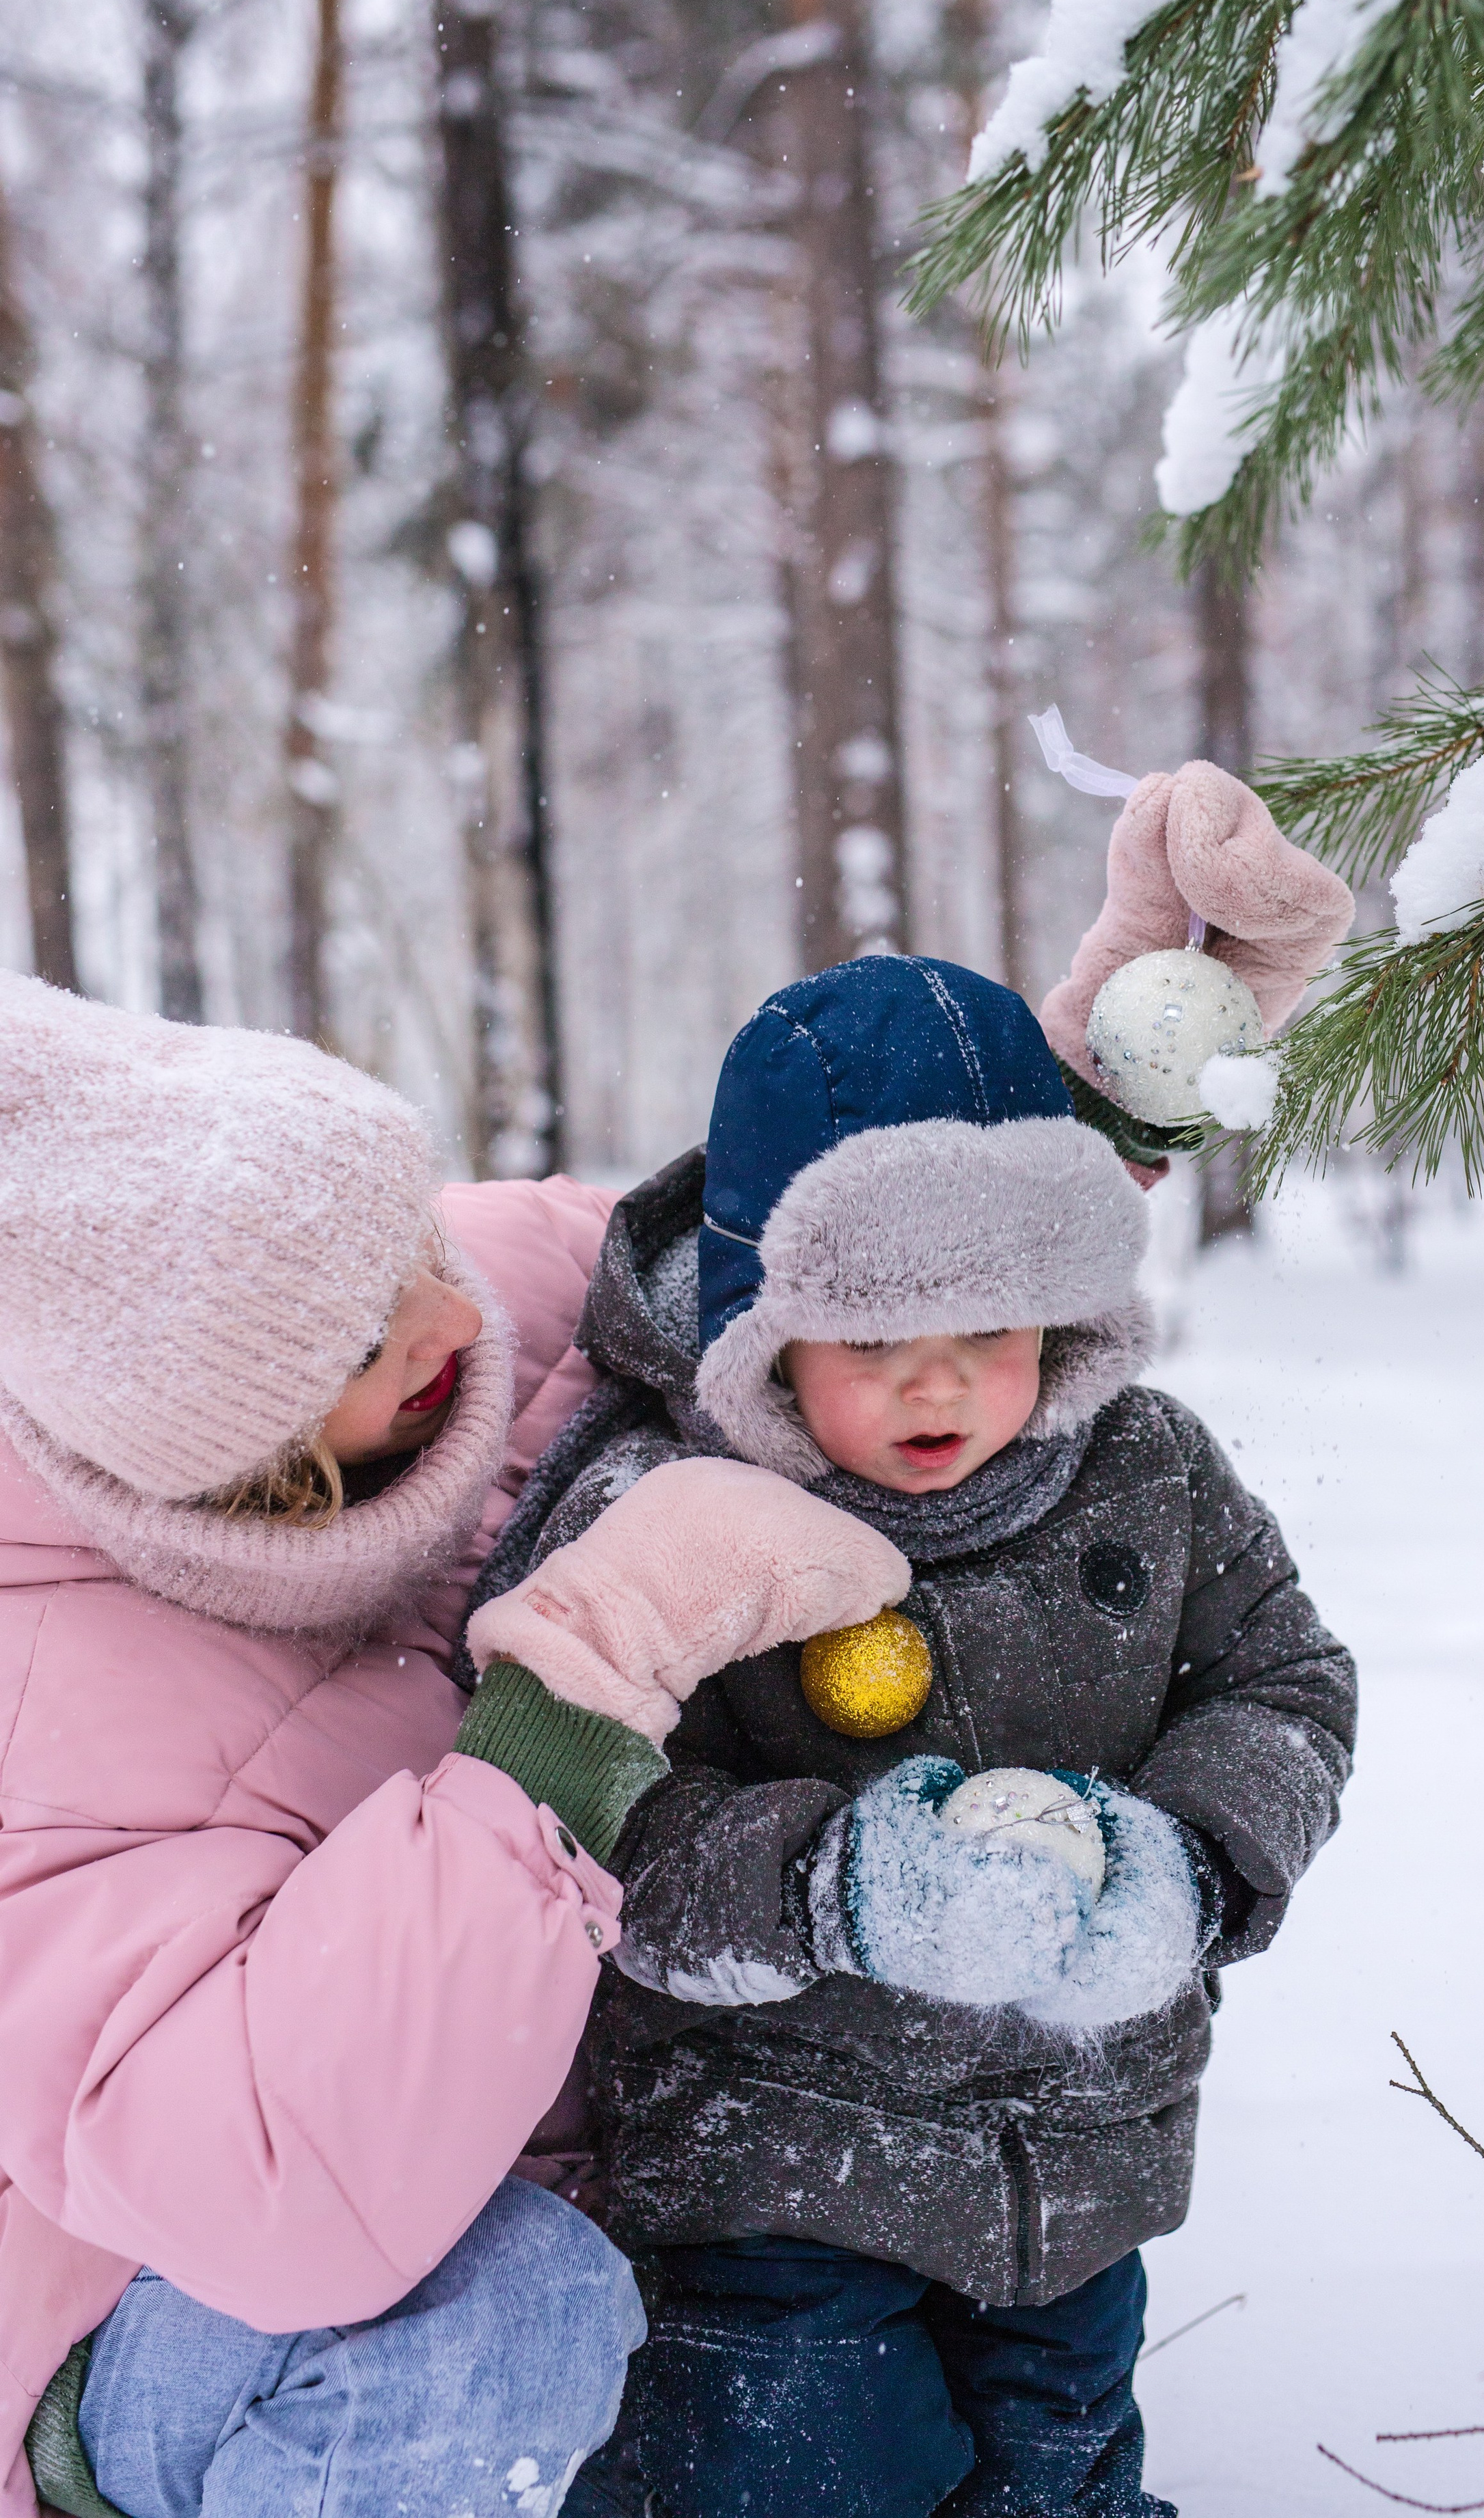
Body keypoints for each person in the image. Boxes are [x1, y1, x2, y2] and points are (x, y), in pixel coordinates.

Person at [467, 765, 1358, 2518]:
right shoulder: (665, 1509)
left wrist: (1186, 1862)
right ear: (761, 1325)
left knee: (1059, 2479)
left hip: (1081, 2163)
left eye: (990, 1321)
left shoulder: (1145, 1471)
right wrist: (836, 1886)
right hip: (773, 2177)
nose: (939, 1383)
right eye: (872, 1334)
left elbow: (1285, 1682)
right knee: (799, 2481)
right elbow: (573, 1826)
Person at [0, 972, 906, 2518]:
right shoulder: (53, 1703)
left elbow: (760, 1240)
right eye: (362, 1333)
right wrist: (583, 1688)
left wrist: (1085, 1104)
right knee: (498, 2314)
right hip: (141, 2315)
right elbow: (287, 2197)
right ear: (226, 1446)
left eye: (410, 1231)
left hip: (477, 2166)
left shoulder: (452, 1299)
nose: (448, 1313)